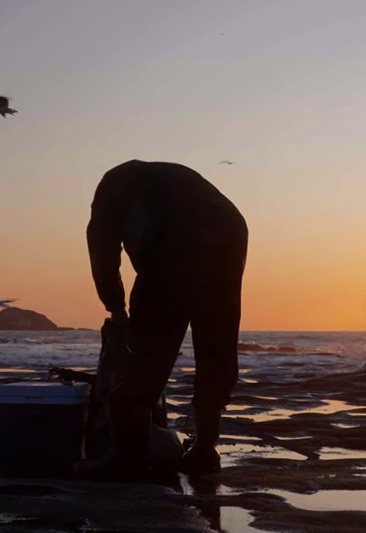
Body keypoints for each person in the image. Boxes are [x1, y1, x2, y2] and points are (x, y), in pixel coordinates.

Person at [76, 160, 248, 480]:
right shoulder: (156, 179)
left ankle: (125, 457)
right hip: (229, 227)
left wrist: (115, 306)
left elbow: (102, 248)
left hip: (174, 233)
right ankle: (206, 449)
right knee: (217, 339)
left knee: (148, 349)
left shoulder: (112, 189)